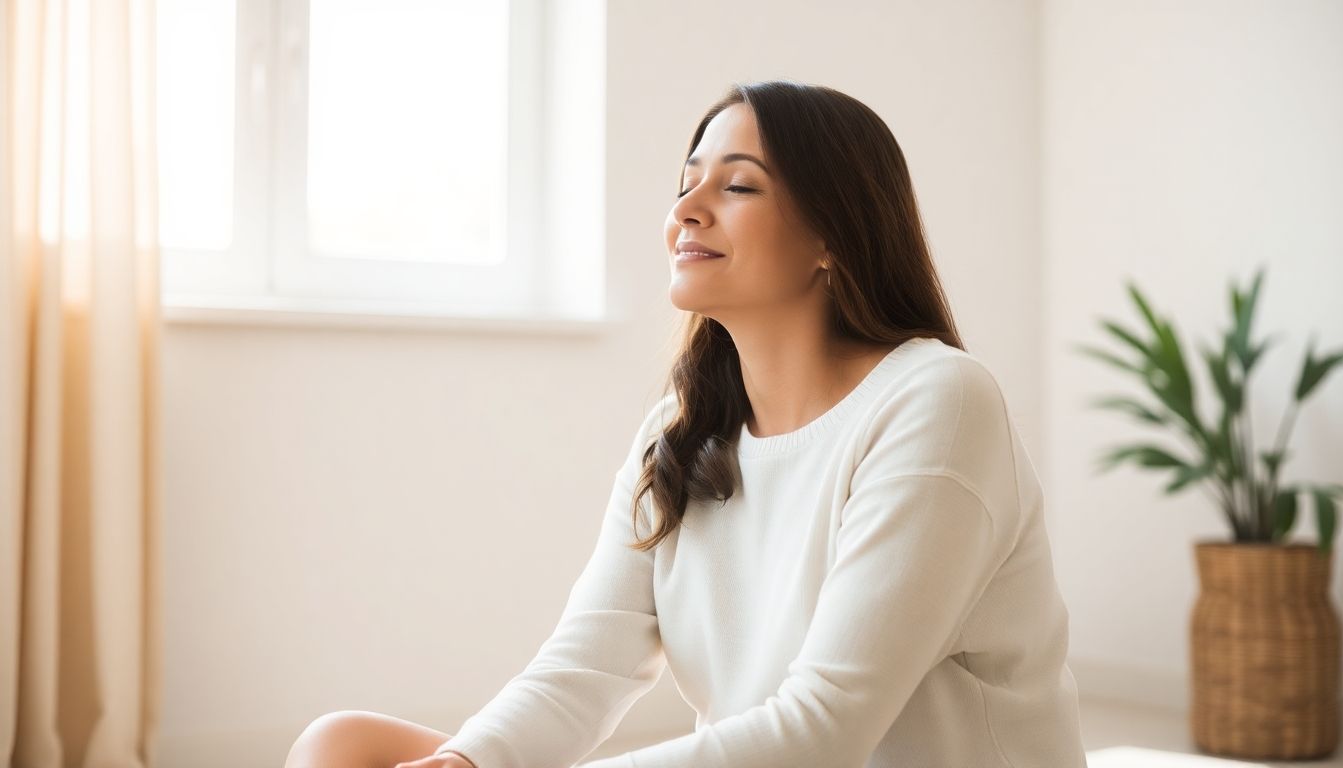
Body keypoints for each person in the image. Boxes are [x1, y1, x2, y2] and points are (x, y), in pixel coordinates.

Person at [284, 79, 1088, 768]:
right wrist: (465, 761)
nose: (686, 211)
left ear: (832, 236)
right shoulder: (685, 425)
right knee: (340, 742)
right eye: (686, 182)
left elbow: (823, 730)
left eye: (737, 187)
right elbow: (584, 667)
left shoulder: (938, 402)